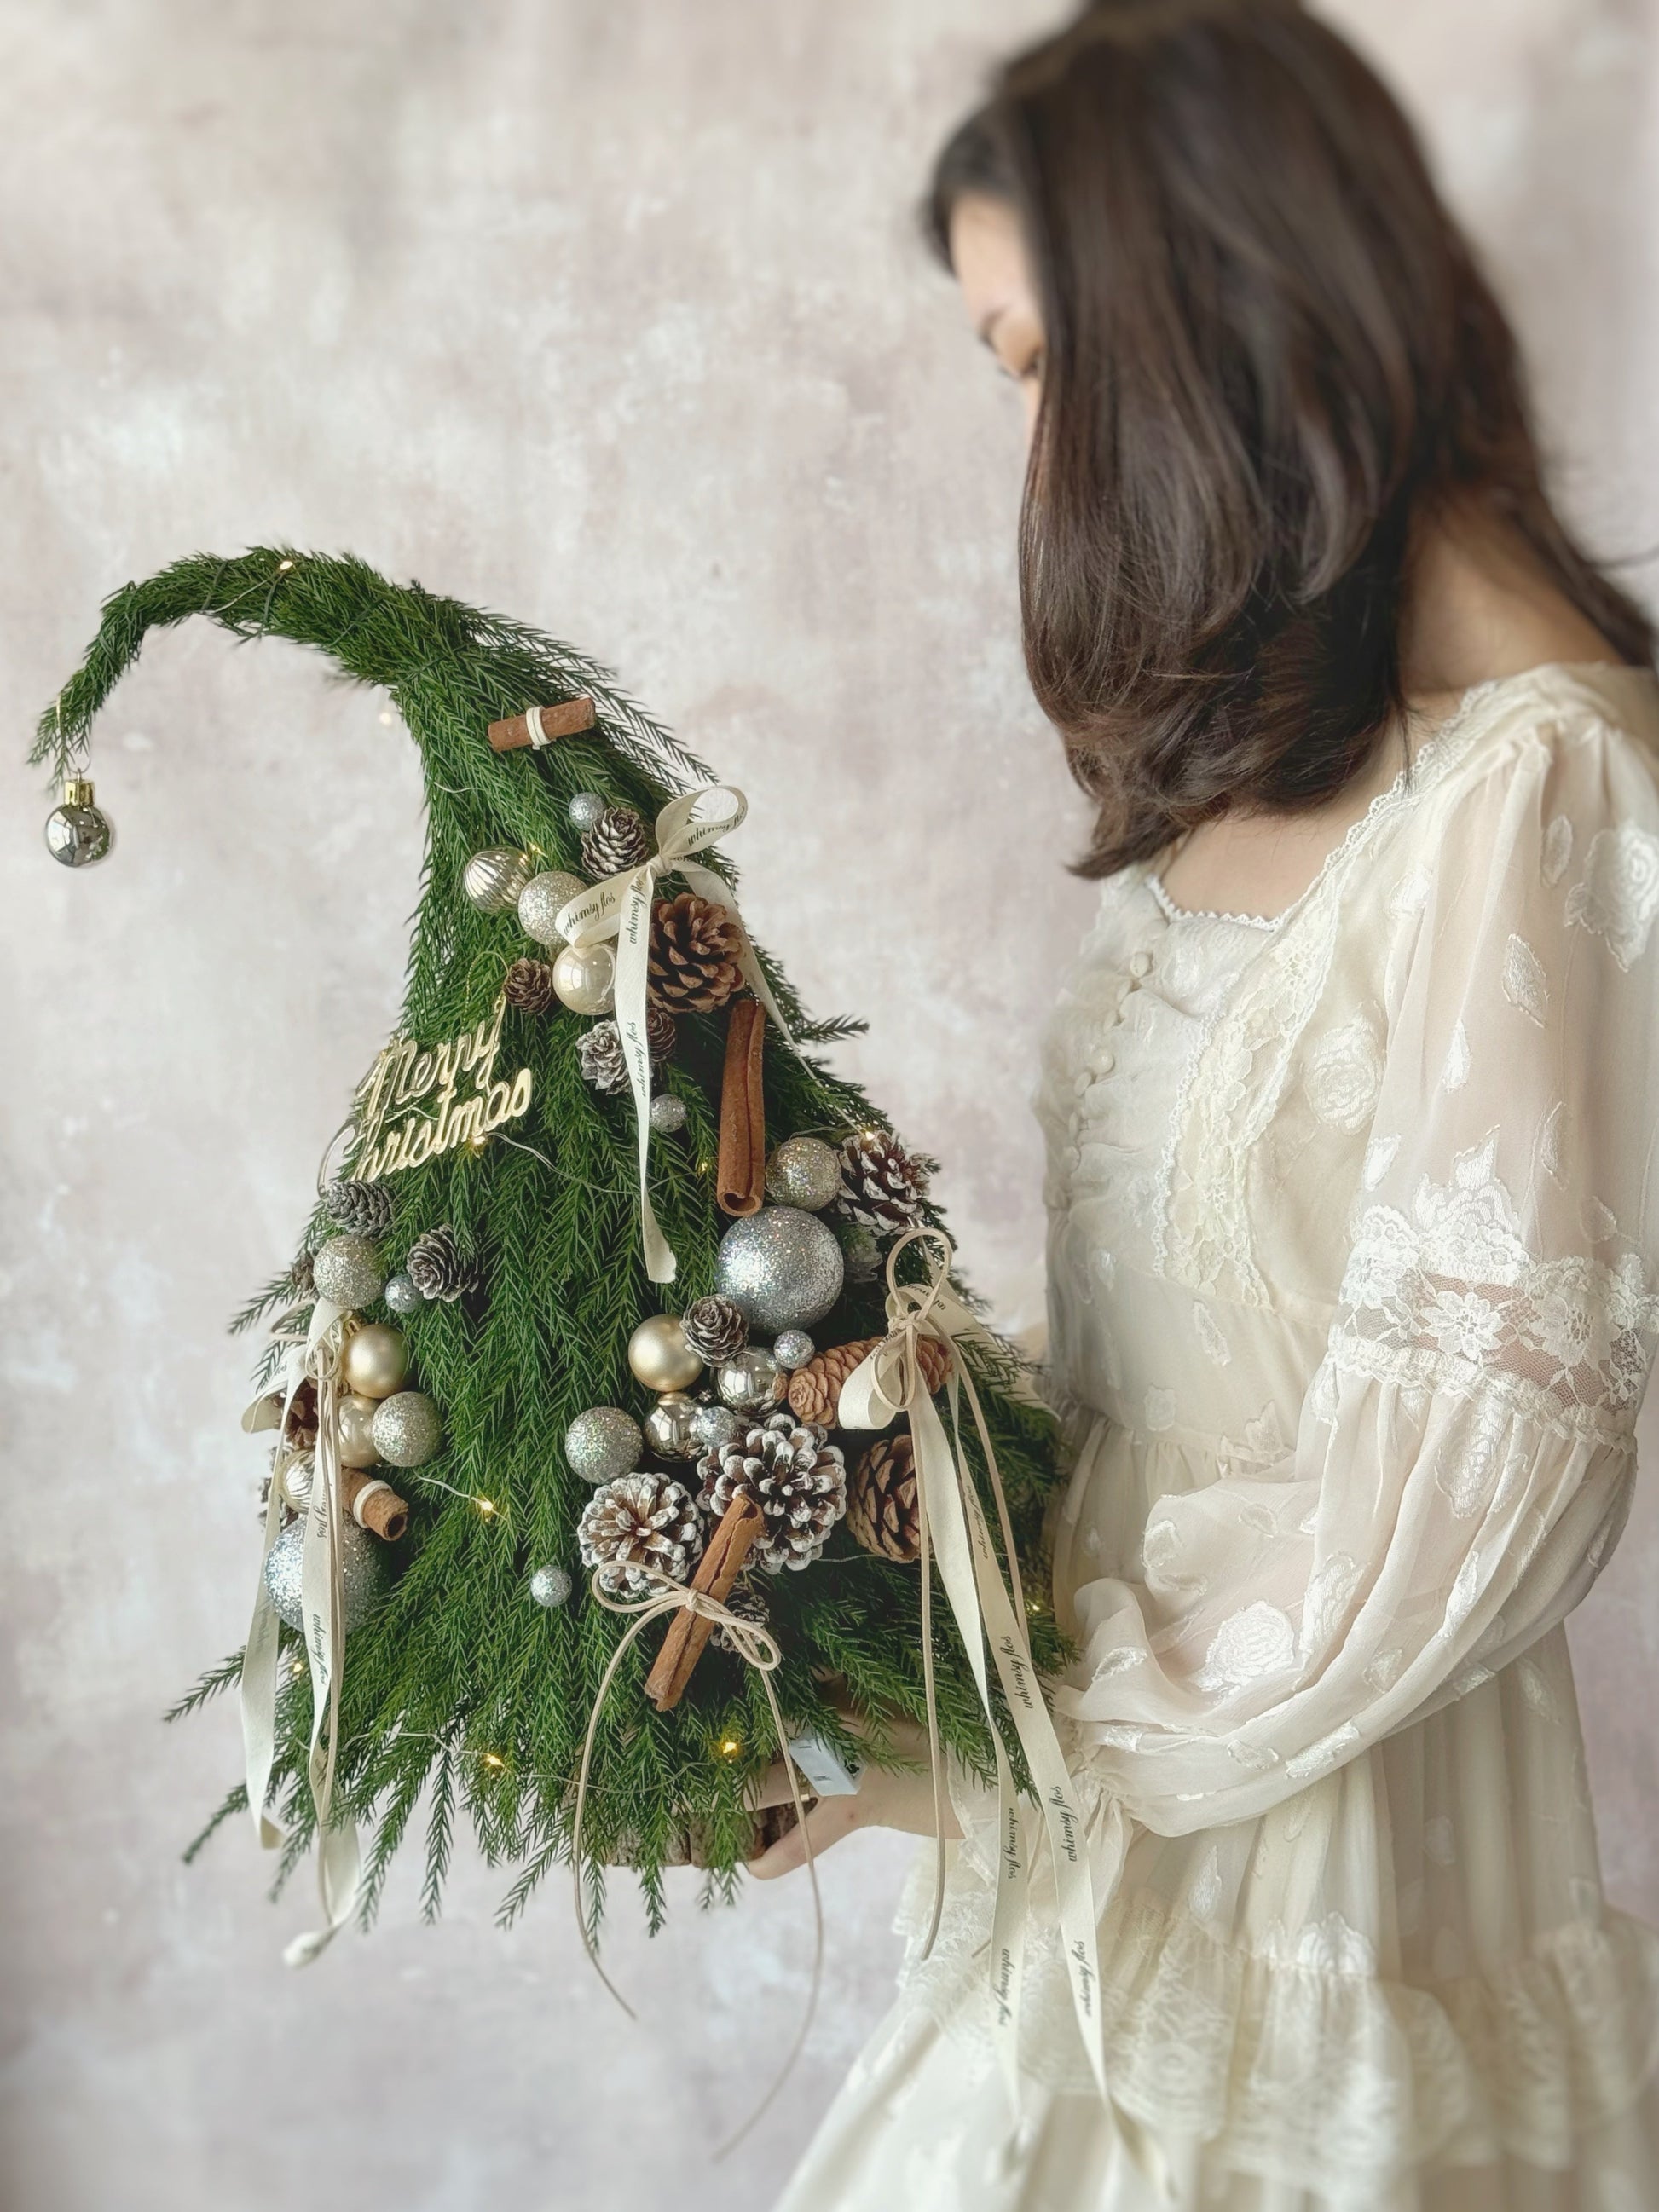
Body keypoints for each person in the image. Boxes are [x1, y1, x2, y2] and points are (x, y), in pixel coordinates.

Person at [749, 3, 1659, 2207]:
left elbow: (1468, 1485)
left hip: (1315, 1875)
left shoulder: (1536, 792)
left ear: (1217, 314)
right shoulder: (1302, 759)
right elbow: (1184, 1345)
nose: (1033, 435)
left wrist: (987, 1740)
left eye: (1037, 360)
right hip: (1112, 1851)